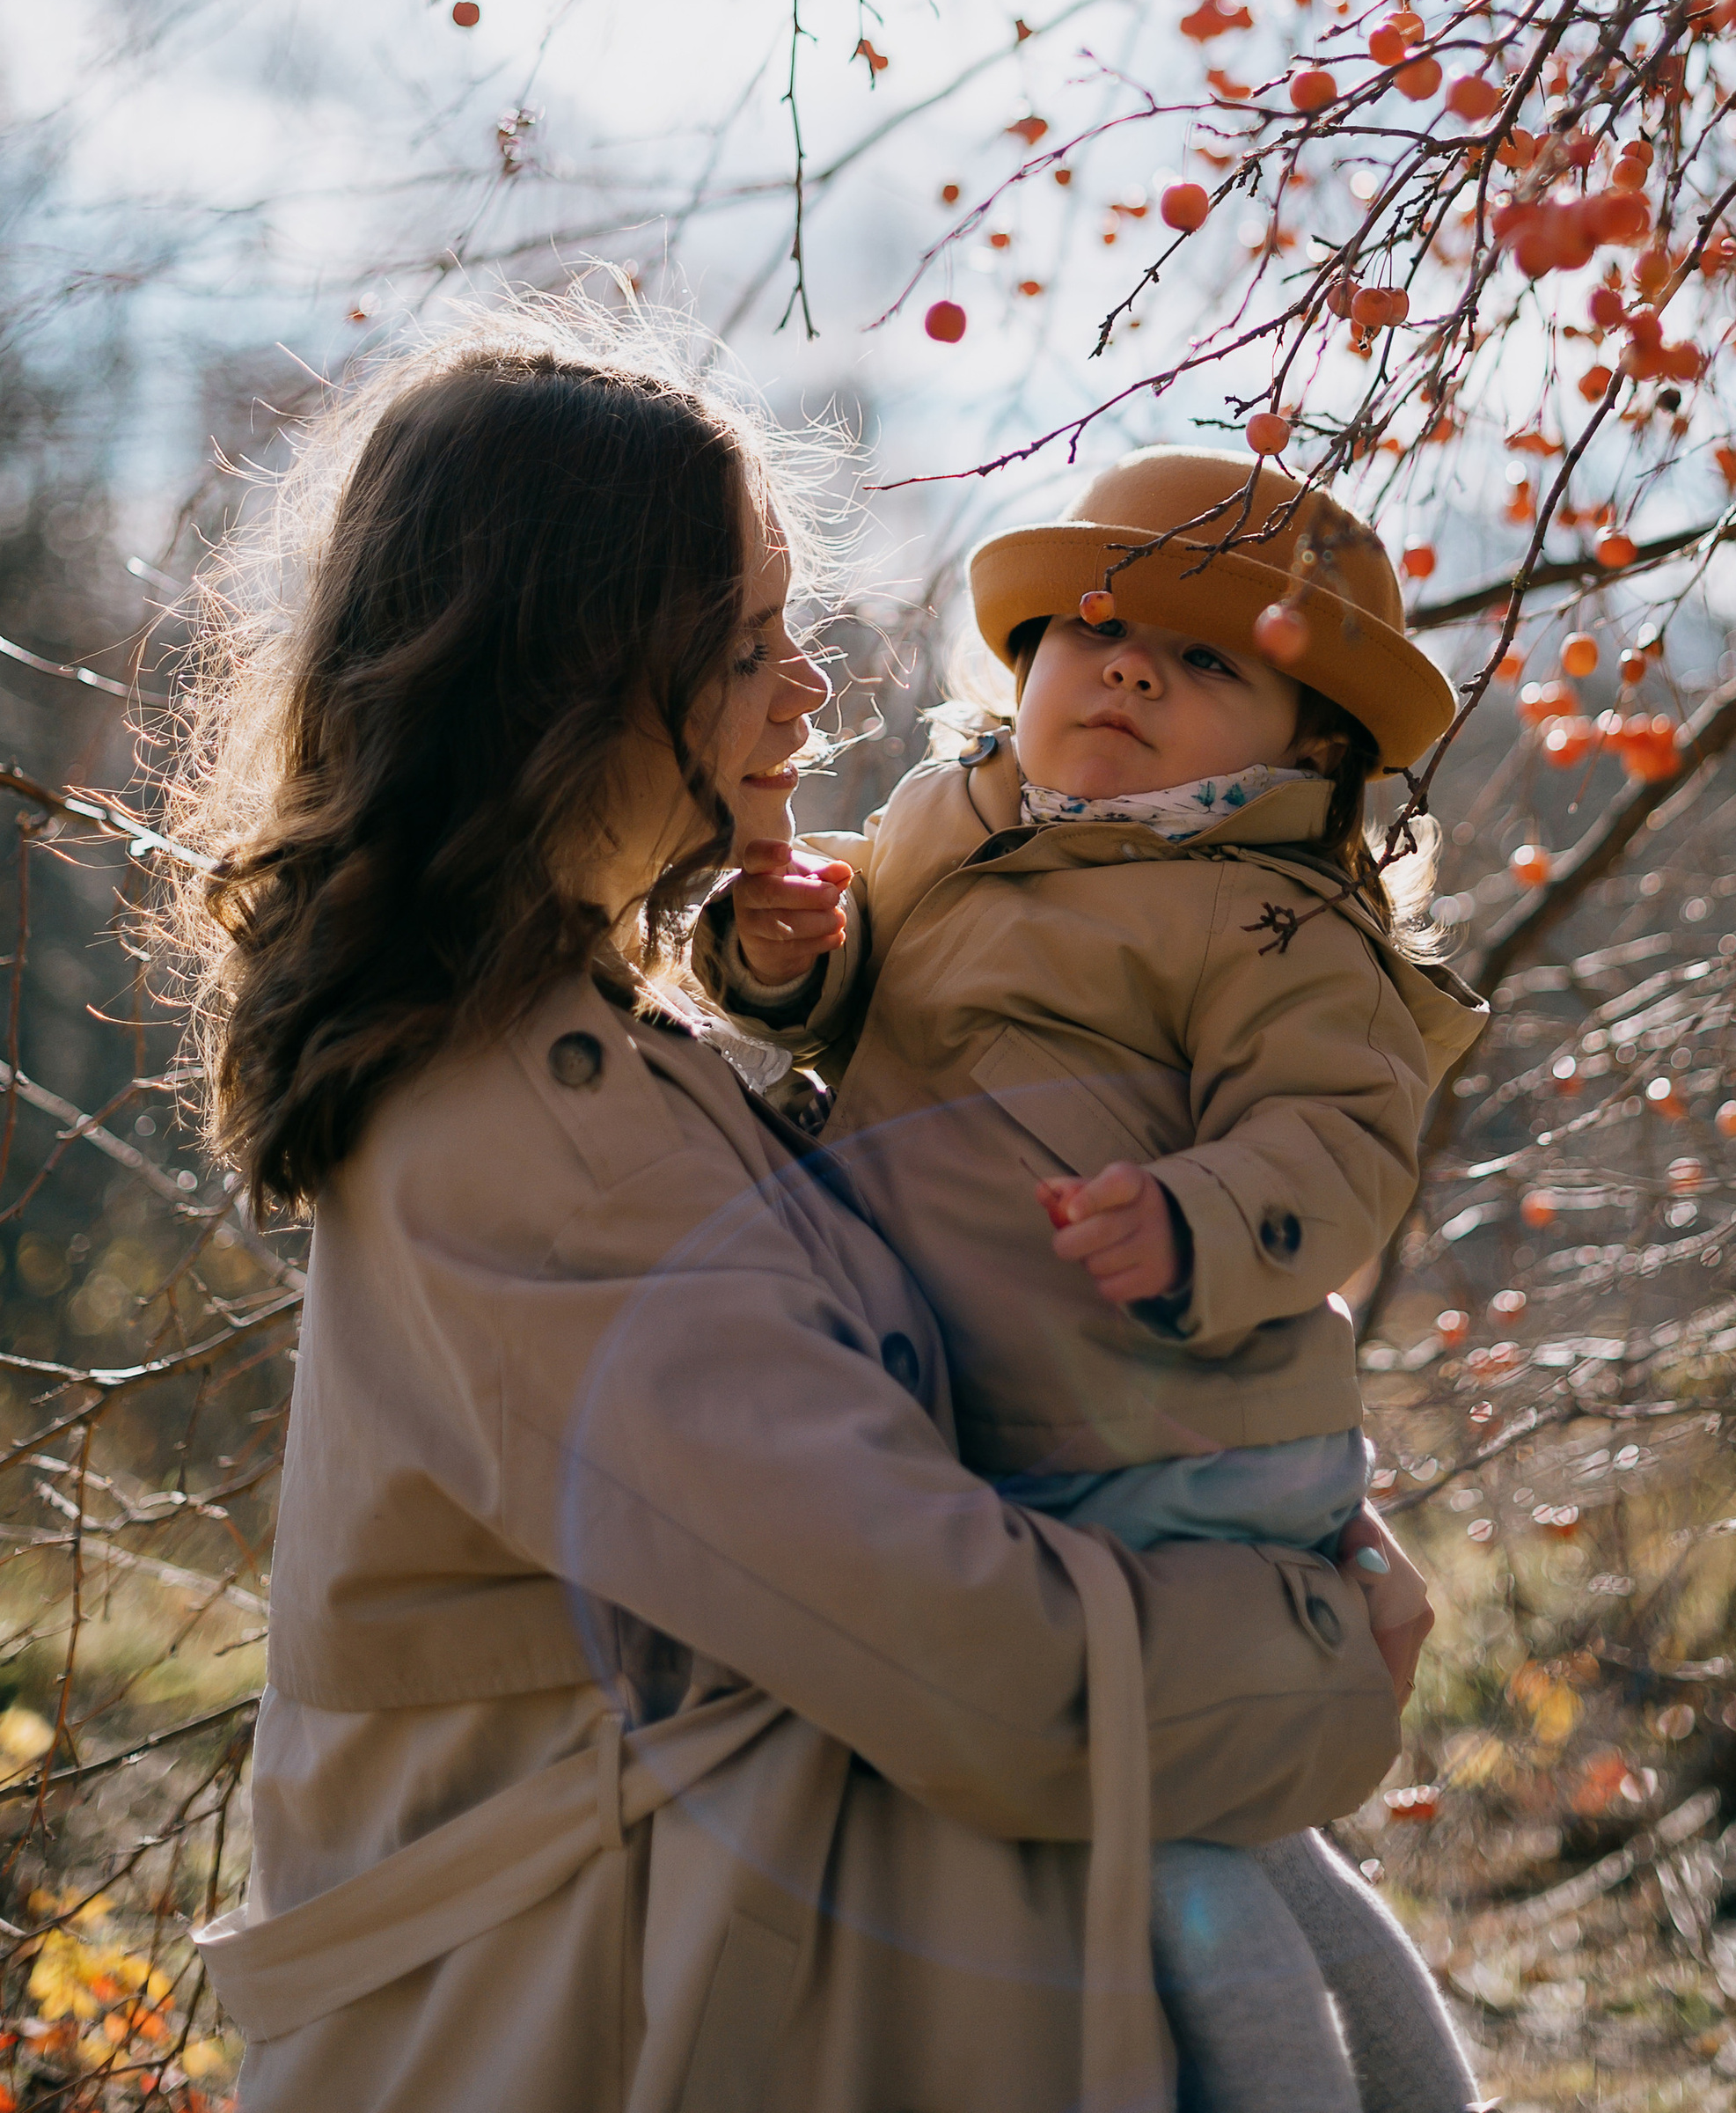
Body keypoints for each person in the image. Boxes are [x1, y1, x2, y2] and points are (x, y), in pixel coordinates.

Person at [166, 320, 1429, 2113]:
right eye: (745, 642)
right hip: (581, 2025)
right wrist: (1315, 1651)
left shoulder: (610, 1042)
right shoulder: (538, 1142)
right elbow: (971, 1660)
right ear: (578, 673)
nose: (806, 694)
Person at [704, 446, 1488, 2113]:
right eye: (1101, 630)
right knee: (1180, 1819)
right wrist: (784, 967)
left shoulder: (1273, 920)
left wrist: (1199, 1215)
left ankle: (1310, 2086)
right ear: (1030, 656)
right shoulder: (942, 823)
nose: (1130, 669)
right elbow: (867, 1022)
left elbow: (1344, 1138)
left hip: (1175, 1427)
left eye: (1210, 663)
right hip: (1032, 1416)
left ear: (1313, 745)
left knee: (1153, 1835)